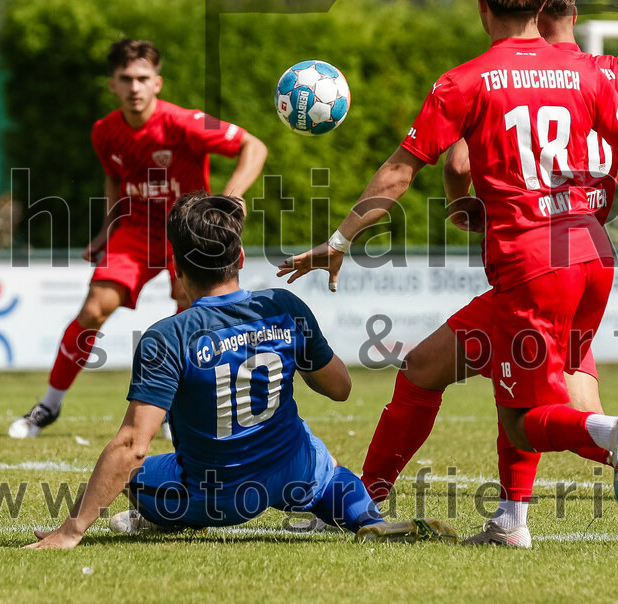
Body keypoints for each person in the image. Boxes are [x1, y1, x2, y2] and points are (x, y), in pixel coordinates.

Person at [279, 0, 618, 547]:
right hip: (589, 256)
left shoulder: (465, 81)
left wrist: (340, 239)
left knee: (530, 422)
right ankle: (514, 518)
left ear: (483, 6)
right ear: (543, 6)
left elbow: (407, 171)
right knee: (427, 368)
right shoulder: (586, 71)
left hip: (533, 267)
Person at [25, 192, 457, 548]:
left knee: (134, 479)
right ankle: (367, 517)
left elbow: (132, 446)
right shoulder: (283, 306)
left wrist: (71, 529)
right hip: (292, 472)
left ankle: (165, 516)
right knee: (328, 469)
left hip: (218, 496)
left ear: (176, 267)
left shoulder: (167, 336)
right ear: (242, 257)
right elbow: (340, 387)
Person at [10, 39, 268, 439]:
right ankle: (49, 405)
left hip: (187, 232)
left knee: (192, 318)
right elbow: (114, 178)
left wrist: (229, 197)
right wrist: (106, 231)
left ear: (157, 83)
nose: (135, 87)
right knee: (94, 309)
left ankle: (176, 412)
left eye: (143, 78)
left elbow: (254, 145)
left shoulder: (186, 122)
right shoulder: (104, 132)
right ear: (112, 84)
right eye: (126, 78)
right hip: (136, 232)